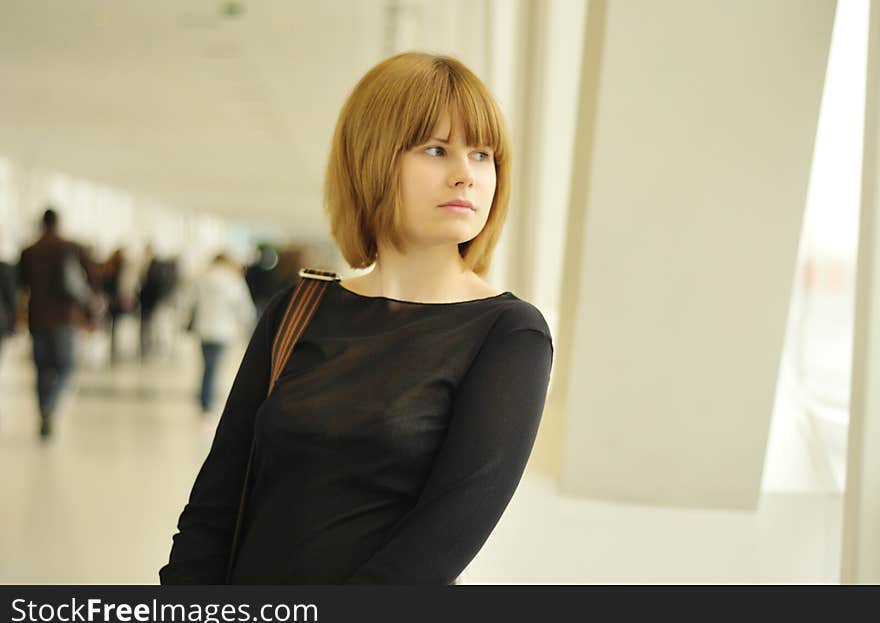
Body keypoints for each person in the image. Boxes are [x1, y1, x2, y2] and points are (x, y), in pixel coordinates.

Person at [160, 51, 554, 584]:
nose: (466, 175)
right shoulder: (298, 310)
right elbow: (217, 500)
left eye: (483, 155)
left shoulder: (508, 335)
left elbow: (439, 542)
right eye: (436, 150)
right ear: (372, 160)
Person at [17, 208, 98, 439]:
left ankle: (44, 409)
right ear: (59, 223)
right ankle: (51, 406)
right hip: (64, 317)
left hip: (38, 317)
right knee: (66, 367)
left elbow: (22, 285)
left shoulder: (29, 251)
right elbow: (92, 277)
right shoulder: (70, 247)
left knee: (42, 369)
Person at [191, 253, 257, 414]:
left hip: (204, 329)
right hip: (223, 331)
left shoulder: (202, 279)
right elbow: (244, 309)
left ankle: (204, 396)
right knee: (215, 367)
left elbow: (192, 302)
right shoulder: (234, 281)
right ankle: (207, 400)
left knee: (207, 365)